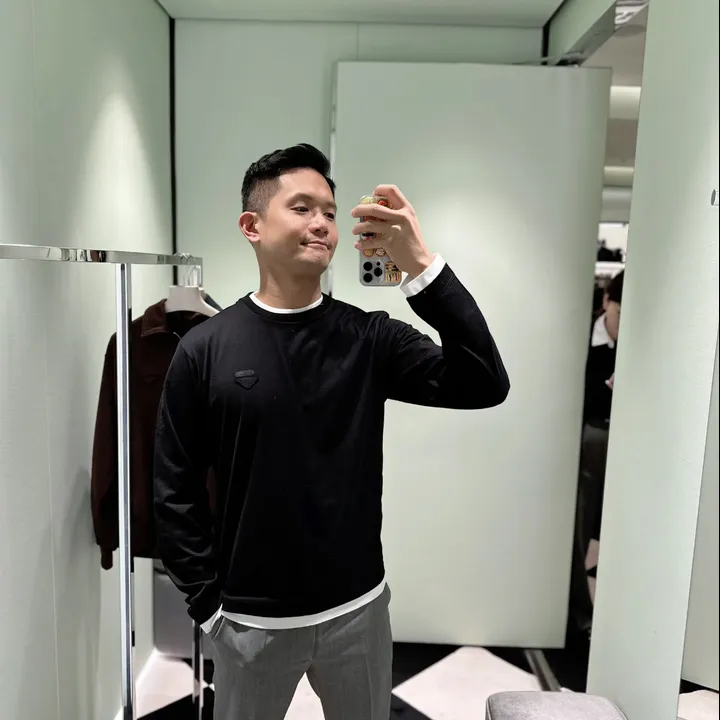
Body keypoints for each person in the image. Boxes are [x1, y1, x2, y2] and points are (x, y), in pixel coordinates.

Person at [153, 143, 510, 719]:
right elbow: (175, 486)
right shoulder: (205, 348)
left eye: (329, 211)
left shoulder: (369, 338)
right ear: (252, 225)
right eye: (301, 208)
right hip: (249, 620)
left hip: (358, 610)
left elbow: (484, 382)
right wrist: (208, 607)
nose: (321, 223)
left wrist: (420, 266)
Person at [567, 269, 624, 653]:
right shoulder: (583, 338)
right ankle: (580, 617)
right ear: (606, 302)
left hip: (634, 440)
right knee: (579, 526)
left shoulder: (644, 341)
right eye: (620, 312)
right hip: (590, 438)